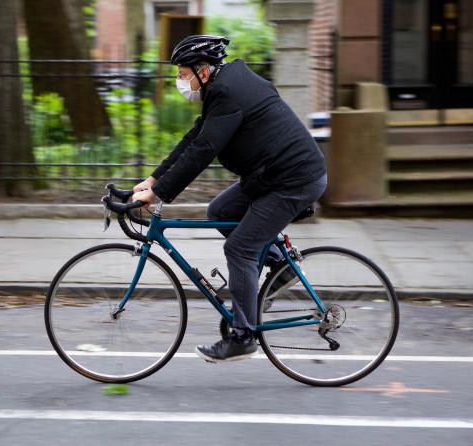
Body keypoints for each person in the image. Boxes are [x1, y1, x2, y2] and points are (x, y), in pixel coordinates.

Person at [132, 34, 327, 363]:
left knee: (240, 248)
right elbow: (195, 138)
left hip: (293, 180)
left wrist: (160, 193)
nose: (180, 82)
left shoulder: (227, 92)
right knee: (219, 209)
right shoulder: (224, 87)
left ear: (203, 72)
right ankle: (280, 263)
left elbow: (204, 152)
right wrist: (153, 179)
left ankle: (243, 336)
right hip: (272, 173)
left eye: (183, 74)